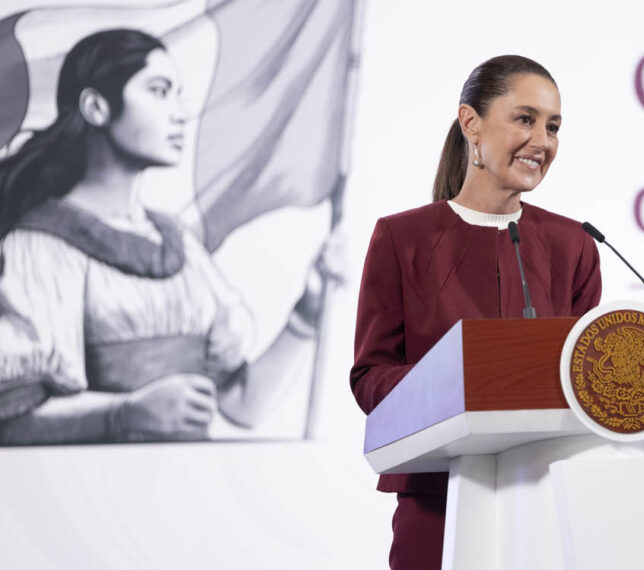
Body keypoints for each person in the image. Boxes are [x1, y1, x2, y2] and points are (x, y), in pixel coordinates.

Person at [0, 29, 335, 443]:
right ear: (96, 107)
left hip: (186, 494)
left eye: (178, 93)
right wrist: (126, 413)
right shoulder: (39, 247)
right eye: (159, 91)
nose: (179, 113)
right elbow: (12, 420)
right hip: (89, 497)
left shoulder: (179, 245)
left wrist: (307, 313)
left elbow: (242, 406)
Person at [351, 55, 603, 569]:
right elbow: (370, 378)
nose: (543, 141)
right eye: (525, 119)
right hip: (437, 499)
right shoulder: (402, 238)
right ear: (472, 123)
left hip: (548, 498)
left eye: (553, 127)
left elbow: (586, 379)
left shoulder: (574, 245)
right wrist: (458, 382)